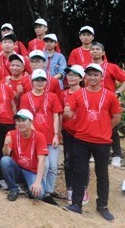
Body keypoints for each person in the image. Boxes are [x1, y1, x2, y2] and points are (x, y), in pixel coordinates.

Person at [64, 63, 122, 221]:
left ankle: (102, 205)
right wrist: (67, 113)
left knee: (102, 174)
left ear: (101, 77)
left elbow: (116, 117)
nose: (92, 77)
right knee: (79, 172)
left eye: (96, 74)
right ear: (85, 77)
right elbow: (71, 114)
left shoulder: (110, 95)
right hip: (81, 139)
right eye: (89, 74)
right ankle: (76, 204)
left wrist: (103, 128)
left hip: (102, 141)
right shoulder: (78, 94)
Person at [19, 69, 62, 202]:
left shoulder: (52, 96)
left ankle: (49, 191)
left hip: (51, 136)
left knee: (53, 166)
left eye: (42, 80)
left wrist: (56, 134)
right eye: (37, 80)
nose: (39, 82)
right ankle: (40, 190)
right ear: (32, 82)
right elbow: (25, 117)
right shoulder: (25, 97)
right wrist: (36, 135)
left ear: (46, 82)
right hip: (37, 138)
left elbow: (56, 116)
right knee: (45, 165)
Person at [0, 109, 49, 202]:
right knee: (5, 160)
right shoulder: (11, 134)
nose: (20, 123)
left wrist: (37, 182)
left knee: (39, 195)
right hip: (17, 168)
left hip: (32, 171)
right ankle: (13, 188)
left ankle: (26, 185)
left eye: (23, 120)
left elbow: (42, 160)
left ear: (31, 121)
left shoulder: (39, 136)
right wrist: (6, 145)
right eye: (18, 121)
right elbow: (5, 154)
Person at [89, 41, 125, 167]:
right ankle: (94, 154)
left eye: (98, 49)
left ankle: (116, 155)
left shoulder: (111, 67)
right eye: (92, 49)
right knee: (93, 126)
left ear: (103, 53)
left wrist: (118, 93)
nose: (95, 51)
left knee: (112, 127)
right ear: (90, 52)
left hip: (108, 101)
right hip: (91, 100)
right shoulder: (86, 67)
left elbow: (124, 80)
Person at [59, 65, 89, 205]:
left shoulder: (85, 93)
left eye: (74, 75)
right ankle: (70, 189)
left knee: (82, 162)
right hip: (67, 131)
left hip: (83, 132)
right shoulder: (63, 93)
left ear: (81, 78)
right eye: (69, 75)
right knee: (68, 161)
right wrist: (58, 132)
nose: (70, 77)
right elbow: (58, 114)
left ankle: (83, 189)